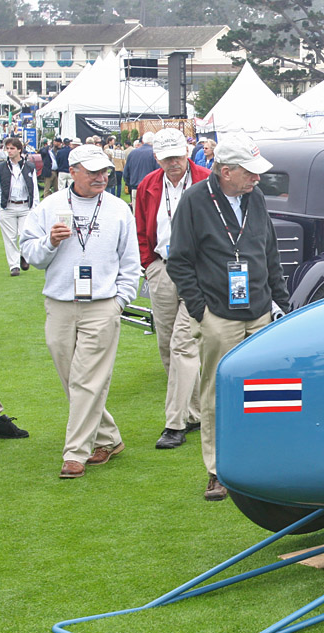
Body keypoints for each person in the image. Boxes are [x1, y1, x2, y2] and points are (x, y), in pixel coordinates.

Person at [167, 133, 291, 501]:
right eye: (250, 172)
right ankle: (218, 470)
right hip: (218, 315)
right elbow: (179, 261)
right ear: (225, 171)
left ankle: (261, 464)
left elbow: (270, 254)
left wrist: (280, 303)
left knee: (266, 392)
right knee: (217, 394)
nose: (257, 178)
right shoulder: (194, 201)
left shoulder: (255, 199)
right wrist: (199, 311)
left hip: (260, 311)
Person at [19, 144, 141, 478]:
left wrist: (119, 301)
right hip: (59, 303)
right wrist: (50, 242)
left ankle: (75, 453)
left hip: (102, 305)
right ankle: (108, 437)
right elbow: (29, 252)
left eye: (104, 172)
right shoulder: (49, 207)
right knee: (73, 379)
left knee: (87, 379)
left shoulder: (118, 209)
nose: (102, 177)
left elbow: (131, 261)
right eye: (93, 172)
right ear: (72, 172)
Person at [134, 129, 210, 450]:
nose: (174, 163)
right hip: (161, 268)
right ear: (157, 157)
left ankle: (174, 424)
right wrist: (149, 264)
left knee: (183, 345)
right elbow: (141, 229)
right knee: (167, 346)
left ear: (188, 151)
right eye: (167, 158)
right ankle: (195, 413)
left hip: (200, 273)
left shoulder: (208, 180)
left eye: (178, 155)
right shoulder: (148, 185)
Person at [0, 137, 41, 276]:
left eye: (12, 148)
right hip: (8, 206)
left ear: (19, 150)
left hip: (25, 206)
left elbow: (34, 188)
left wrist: (35, 207)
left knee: (24, 234)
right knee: (9, 238)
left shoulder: (29, 166)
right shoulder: (1, 168)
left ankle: (24, 255)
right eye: (7, 148)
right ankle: (14, 266)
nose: (9, 151)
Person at [122, 132, 158, 197]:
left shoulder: (132, 153)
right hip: (151, 190)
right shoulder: (155, 154)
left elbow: (126, 174)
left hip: (136, 188)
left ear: (142, 141)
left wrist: (130, 185)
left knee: (136, 207)